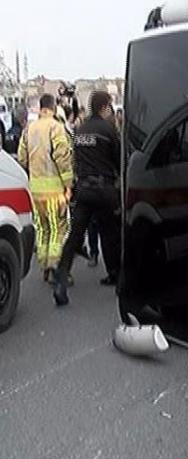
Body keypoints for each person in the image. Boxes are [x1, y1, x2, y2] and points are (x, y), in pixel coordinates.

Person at [53, 91, 121, 306]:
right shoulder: (108, 129)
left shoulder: (80, 130)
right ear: (105, 106)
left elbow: (75, 159)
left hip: (84, 189)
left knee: (75, 236)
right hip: (104, 189)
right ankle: (114, 274)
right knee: (110, 233)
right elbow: (118, 160)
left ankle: (61, 278)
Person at [17, 94, 74, 283]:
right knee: (58, 229)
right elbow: (62, 159)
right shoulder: (56, 128)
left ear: (41, 108)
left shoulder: (29, 129)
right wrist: (68, 186)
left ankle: (44, 265)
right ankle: (54, 266)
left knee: (42, 229)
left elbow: (22, 158)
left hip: (35, 190)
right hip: (54, 190)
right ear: (53, 107)